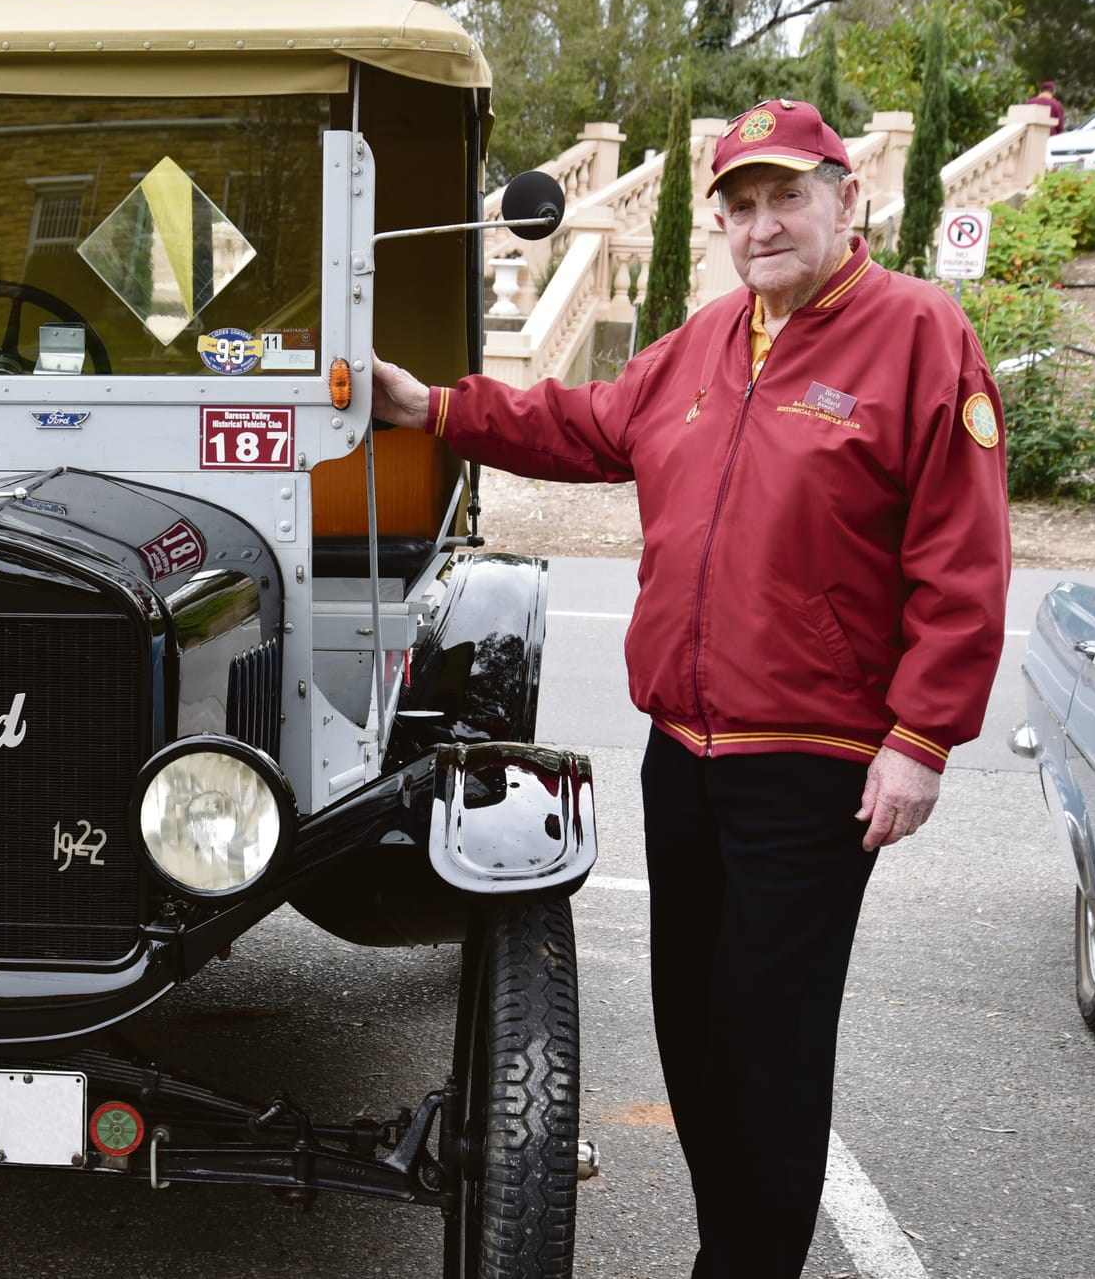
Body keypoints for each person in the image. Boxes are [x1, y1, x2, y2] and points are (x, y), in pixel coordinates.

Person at [372, 99, 1010, 1277]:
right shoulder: (707, 341)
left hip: (811, 768)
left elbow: (960, 562)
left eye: (787, 198)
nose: (762, 225)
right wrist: (436, 410)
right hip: (684, 751)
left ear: (844, 200)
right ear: (719, 222)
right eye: (741, 205)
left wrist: (919, 740)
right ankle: (734, 1247)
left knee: (766, 1046)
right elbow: (581, 425)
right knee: (693, 1034)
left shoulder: (919, 335)